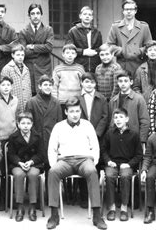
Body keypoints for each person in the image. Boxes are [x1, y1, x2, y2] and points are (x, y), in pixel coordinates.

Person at [46, 97, 107, 230]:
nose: (75, 114)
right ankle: (53, 215)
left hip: (84, 160)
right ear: (66, 112)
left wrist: (93, 161)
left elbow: (95, 146)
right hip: (65, 161)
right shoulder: (59, 127)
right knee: (53, 172)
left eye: (77, 111)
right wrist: (53, 165)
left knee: (92, 172)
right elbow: (52, 148)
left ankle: (97, 215)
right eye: (72, 111)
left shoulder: (87, 125)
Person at [101, 108, 142, 222]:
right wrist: (108, 161)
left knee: (125, 176)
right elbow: (103, 150)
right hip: (112, 164)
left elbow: (139, 155)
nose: (118, 120)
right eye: (115, 117)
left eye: (121, 117)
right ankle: (112, 208)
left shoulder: (134, 134)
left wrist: (129, 164)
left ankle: (124, 208)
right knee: (109, 176)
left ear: (127, 119)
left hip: (127, 165)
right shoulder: (109, 133)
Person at [76, 72, 109, 208]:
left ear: (95, 84)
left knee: (95, 166)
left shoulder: (101, 98)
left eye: (91, 82)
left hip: (97, 137)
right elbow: (74, 116)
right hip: (81, 137)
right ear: (82, 83)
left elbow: (105, 117)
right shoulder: (77, 98)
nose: (89, 84)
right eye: (86, 82)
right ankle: (84, 197)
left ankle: (95, 197)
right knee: (82, 164)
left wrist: (95, 134)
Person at [7, 112, 44, 222]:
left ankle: (32, 206)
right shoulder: (13, 137)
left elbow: (41, 154)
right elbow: (11, 154)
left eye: (28, 123)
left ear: (32, 124)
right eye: (23, 123)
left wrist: (32, 162)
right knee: (19, 175)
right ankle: (20, 206)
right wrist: (19, 163)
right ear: (18, 124)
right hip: (18, 164)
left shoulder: (37, 136)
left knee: (33, 174)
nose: (26, 126)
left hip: (33, 163)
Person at [106, 0, 153, 75]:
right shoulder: (115, 26)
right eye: (126, 9)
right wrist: (122, 51)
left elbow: (149, 46)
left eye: (131, 9)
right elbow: (109, 45)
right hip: (121, 65)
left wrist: (138, 51)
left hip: (138, 64)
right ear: (123, 11)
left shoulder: (143, 27)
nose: (129, 11)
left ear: (135, 11)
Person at [25, 75, 63, 165]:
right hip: (37, 139)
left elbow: (59, 122)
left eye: (50, 85)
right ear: (39, 86)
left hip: (52, 138)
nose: (48, 87)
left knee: (52, 165)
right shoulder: (32, 102)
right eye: (45, 85)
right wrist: (35, 136)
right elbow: (27, 121)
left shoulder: (56, 102)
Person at [18, 3, 54, 95]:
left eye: (38, 13)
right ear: (29, 16)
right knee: (30, 95)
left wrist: (33, 46)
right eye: (32, 14)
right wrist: (42, 49)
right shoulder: (23, 31)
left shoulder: (48, 30)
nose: (35, 16)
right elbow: (23, 52)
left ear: (41, 15)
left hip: (44, 68)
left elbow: (49, 47)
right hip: (29, 68)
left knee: (44, 93)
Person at [109, 70, 150, 146]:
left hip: (133, 139)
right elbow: (111, 122)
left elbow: (144, 121)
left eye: (126, 81)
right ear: (117, 83)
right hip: (117, 139)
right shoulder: (113, 100)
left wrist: (142, 140)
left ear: (131, 82)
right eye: (120, 81)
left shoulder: (138, 99)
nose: (123, 84)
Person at [66, 6, 102, 73]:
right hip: (79, 65)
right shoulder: (73, 31)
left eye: (89, 15)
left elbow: (99, 48)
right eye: (85, 14)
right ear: (80, 16)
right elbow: (69, 48)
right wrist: (83, 52)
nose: (87, 16)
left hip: (94, 65)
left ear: (92, 18)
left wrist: (94, 52)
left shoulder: (97, 32)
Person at [52, 43, 85, 111]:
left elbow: (83, 85)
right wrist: (55, 100)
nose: (70, 55)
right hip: (62, 101)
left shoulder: (80, 68)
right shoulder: (57, 69)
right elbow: (54, 86)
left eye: (72, 53)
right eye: (67, 53)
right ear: (63, 54)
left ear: (76, 55)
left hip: (76, 100)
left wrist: (82, 99)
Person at [1, 44, 32, 112]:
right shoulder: (7, 69)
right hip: (12, 104)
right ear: (12, 55)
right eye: (18, 55)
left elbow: (29, 88)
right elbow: (2, 89)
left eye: (22, 55)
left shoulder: (26, 69)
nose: (20, 57)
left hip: (26, 104)